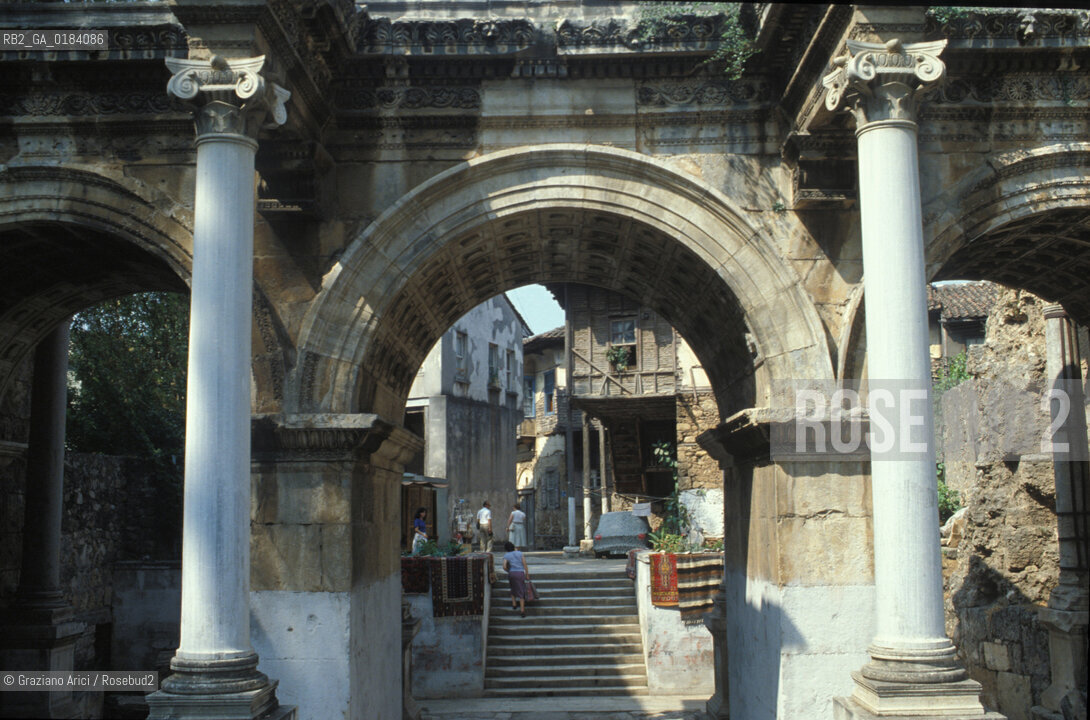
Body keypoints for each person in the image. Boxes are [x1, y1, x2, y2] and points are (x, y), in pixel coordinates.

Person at [502, 540, 531, 617]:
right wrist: (527, 574)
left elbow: (504, 566)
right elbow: (524, 564)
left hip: (512, 573)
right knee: (521, 590)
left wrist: (509, 571)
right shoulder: (520, 553)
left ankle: (514, 603)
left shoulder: (506, 555)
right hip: (520, 573)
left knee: (512, 587)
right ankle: (522, 610)